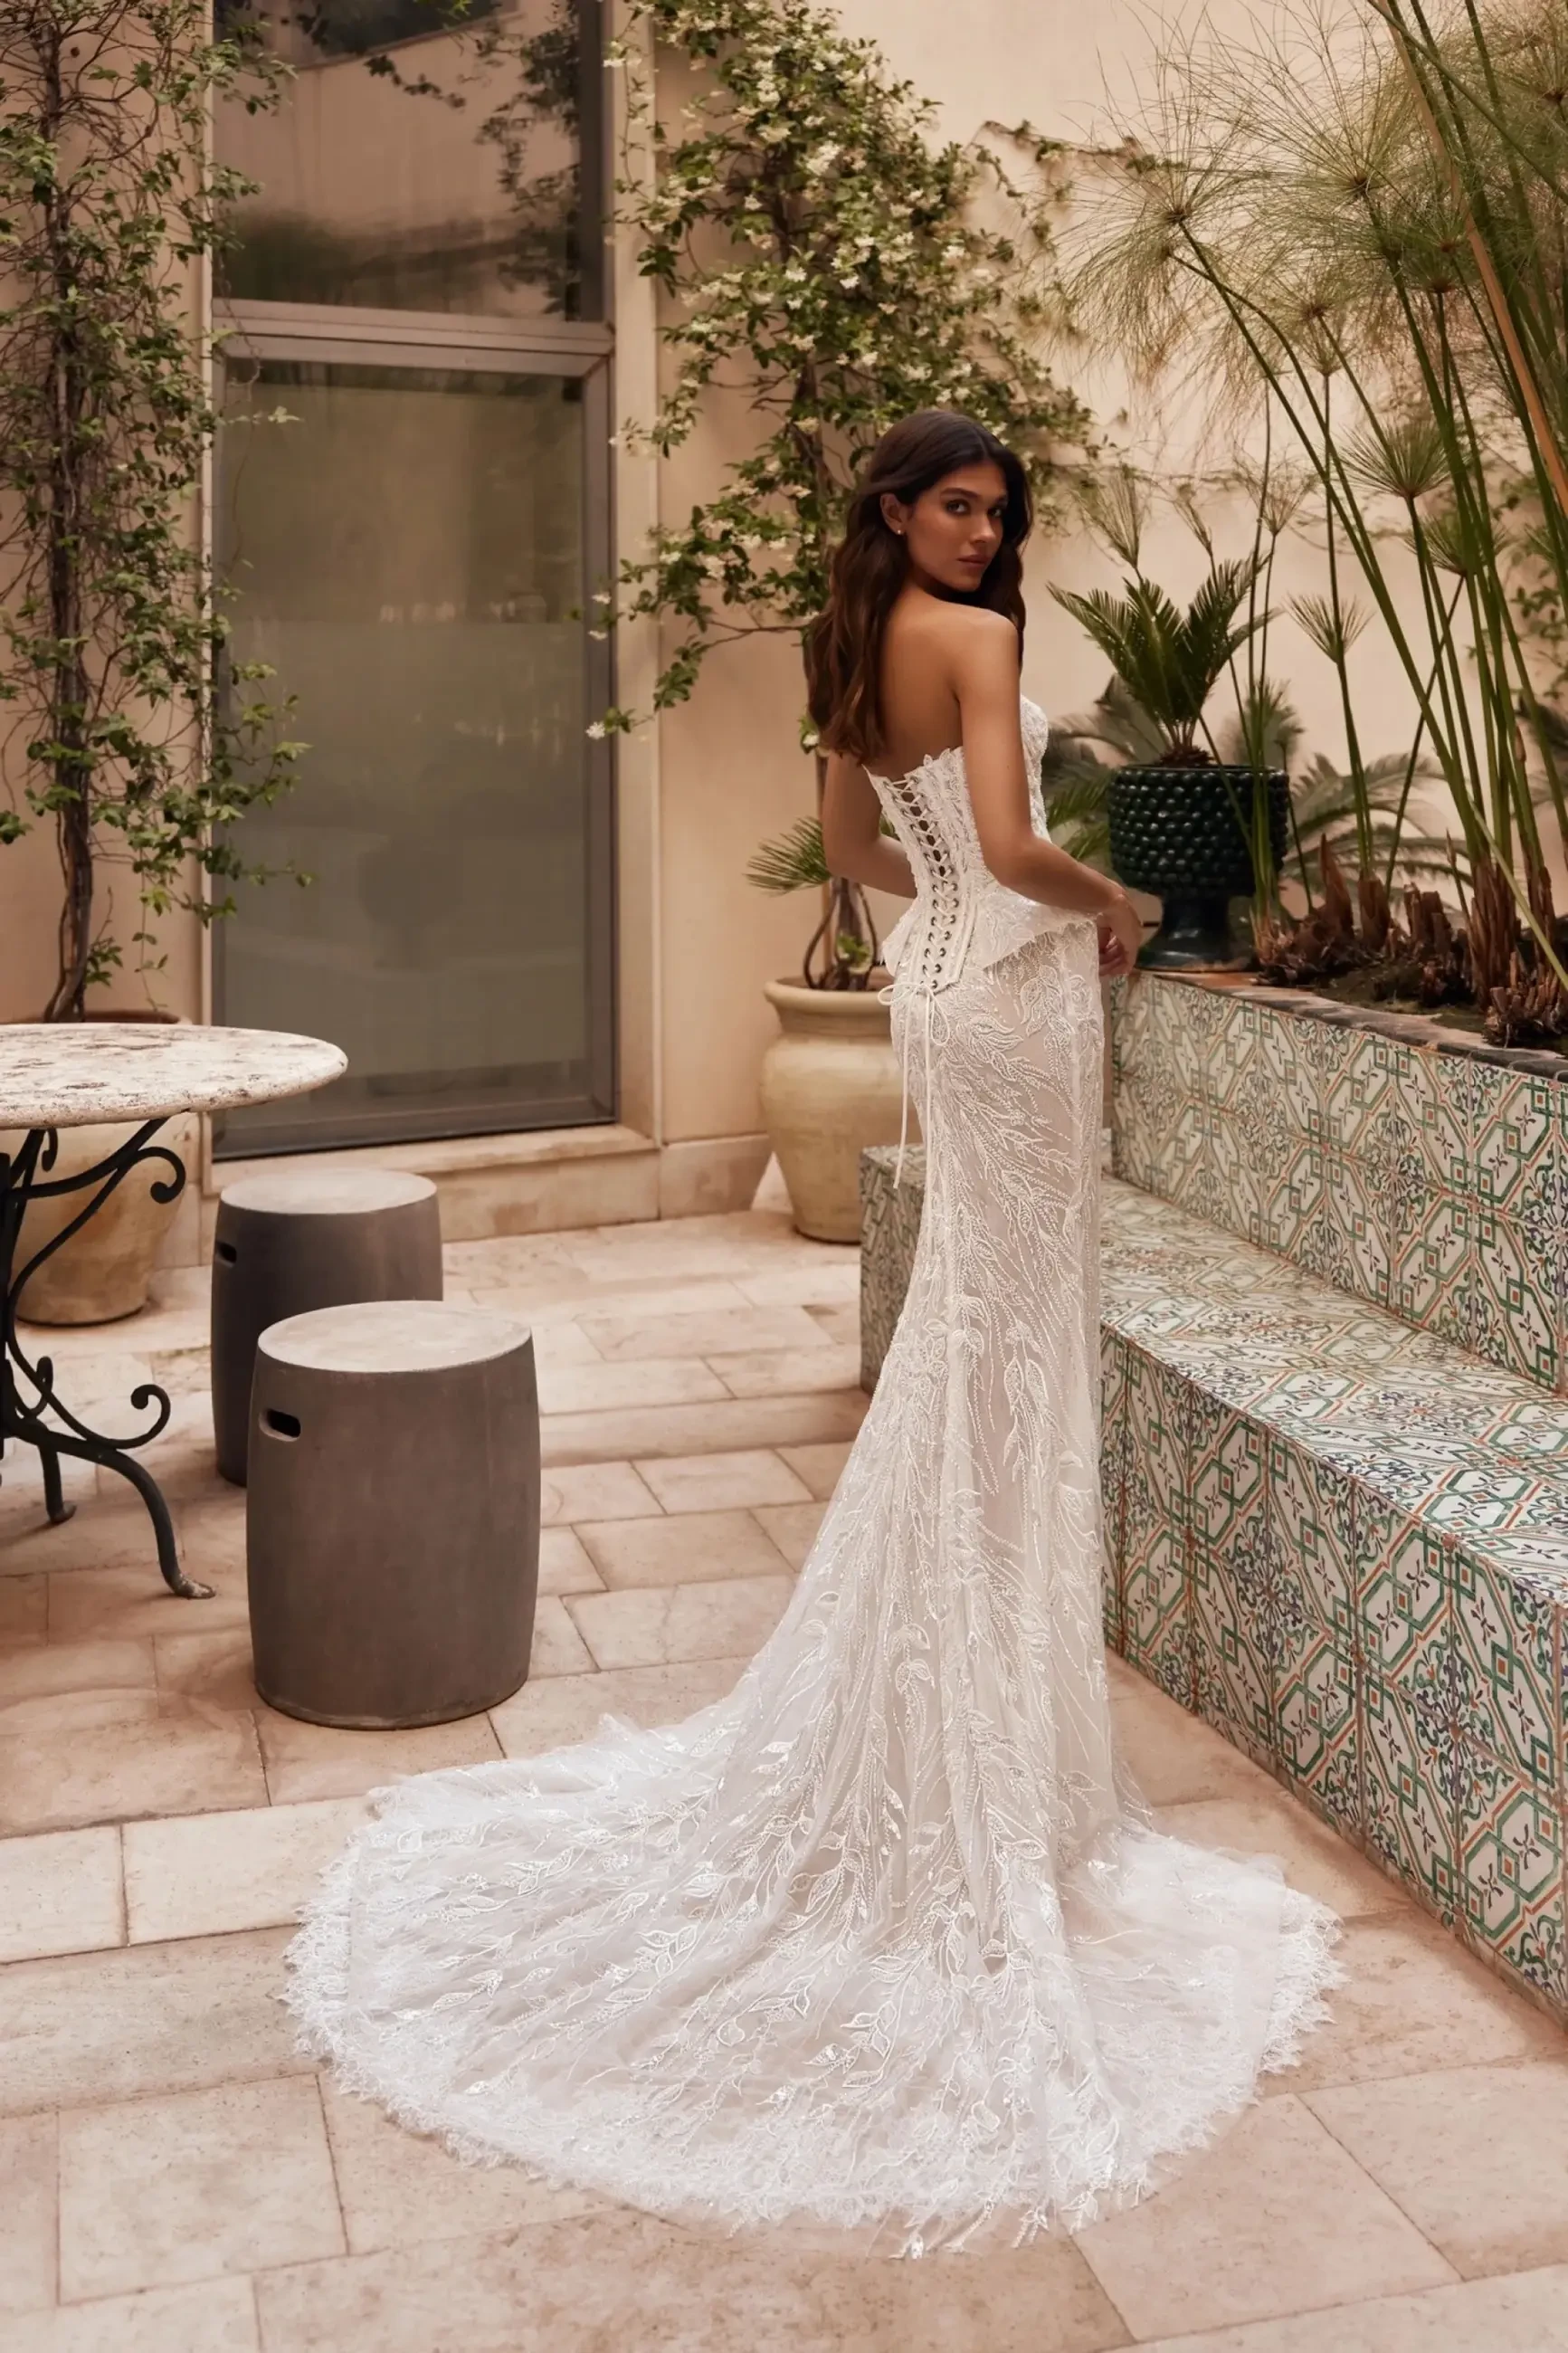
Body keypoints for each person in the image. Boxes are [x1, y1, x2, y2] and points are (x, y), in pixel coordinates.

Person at [287, 408, 1339, 2257]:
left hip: (935, 999)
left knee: (973, 1355)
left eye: (996, 510)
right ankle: (974, 1759)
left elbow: (858, 844)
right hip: (1005, 1007)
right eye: (955, 502)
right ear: (894, 507)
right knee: (1003, 1360)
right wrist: (1114, 902)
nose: (979, 529)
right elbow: (1008, 843)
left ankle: (959, 1723)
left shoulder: (850, 643)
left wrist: (947, 943)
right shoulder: (986, 641)